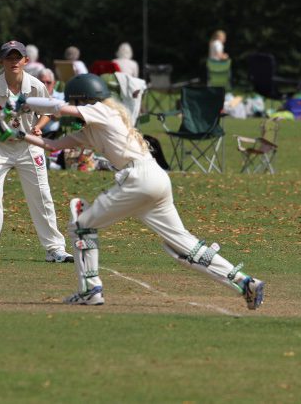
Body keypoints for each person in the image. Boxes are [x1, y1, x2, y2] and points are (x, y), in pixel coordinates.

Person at [18, 73, 265, 307]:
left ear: (83, 99)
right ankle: (245, 282)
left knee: (82, 225)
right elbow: (52, 145)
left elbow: (59, 109)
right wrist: (16, 134)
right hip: (156, 178)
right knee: (184, 245)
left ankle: (90, 290)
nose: (73, 106)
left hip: (138, 179)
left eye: (75, 101)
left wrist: (24, 101)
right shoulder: (92, 128)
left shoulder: (101, 110)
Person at [0, 40, 73, 264]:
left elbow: (48, 111)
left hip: (28, 144)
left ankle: (55, 249)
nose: (14, 61)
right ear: (2, 61)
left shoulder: (35, 86)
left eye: (18, 57)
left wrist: (39, 126)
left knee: (41, 194)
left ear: (26, 61)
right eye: (9, 57)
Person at [35, 68, 64, 137]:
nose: (45, 85)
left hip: (54, 135)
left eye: (48, 82)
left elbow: (60, 117)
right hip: (34, 133)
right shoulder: (31, 96)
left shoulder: (61, 97)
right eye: (42, 82)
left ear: (54, 83)